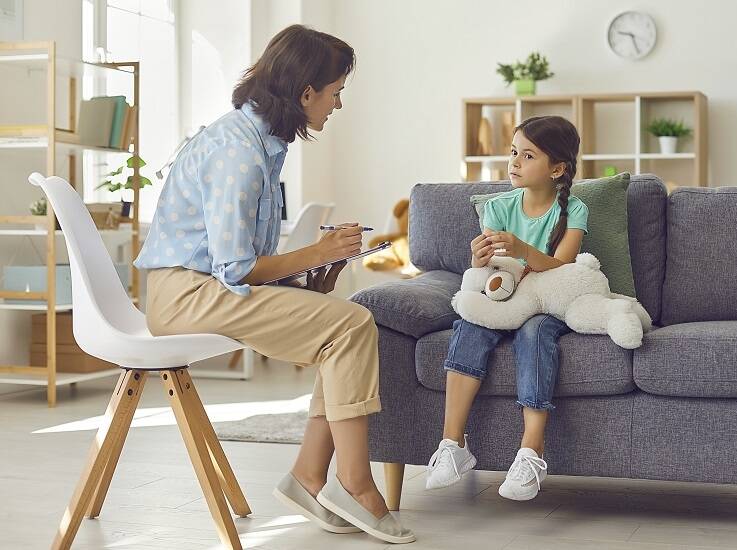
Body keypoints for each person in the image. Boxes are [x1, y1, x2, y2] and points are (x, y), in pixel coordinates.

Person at [135, 25, 414, 544]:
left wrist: (311, 274)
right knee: (353, 324)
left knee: (343, 326)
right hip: (184, 296)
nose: (337, 103)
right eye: (336, 92)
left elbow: (246, 262)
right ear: (307, 92)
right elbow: (236, 268)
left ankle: (311, 477)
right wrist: (317, 252)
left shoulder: (262, 144)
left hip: (203, 288)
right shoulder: (237, 152)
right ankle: (352, 484)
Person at [425, 116, 589, 501]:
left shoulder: (575, 210)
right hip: (505, 299)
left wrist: (523, 250)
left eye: (527, 155)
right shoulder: (497, 207)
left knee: (534, 333)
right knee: (470, 323)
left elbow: (564, 265)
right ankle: (452, 445)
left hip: (547, 305)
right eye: (513, 152)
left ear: (557, 168)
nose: (514, 162)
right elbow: (490, 273)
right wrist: (478, 259)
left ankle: (531, 452)